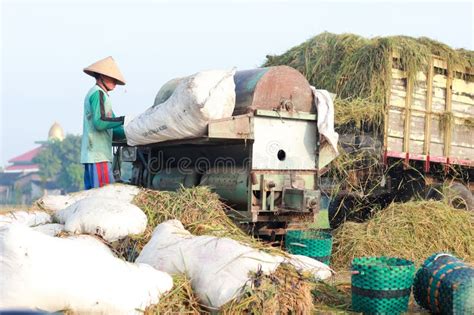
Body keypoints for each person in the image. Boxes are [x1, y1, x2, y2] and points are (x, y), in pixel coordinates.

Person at [81, 56, 127, 190]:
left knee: (91, 197)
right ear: (101, 76)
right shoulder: (98, 94)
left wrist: (131, 132)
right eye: (112, 78)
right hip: (98, 156)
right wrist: (124, 119)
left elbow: (114, 125)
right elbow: (100, 123)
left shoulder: (101, 95)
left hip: (93, 155)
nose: (115, 83)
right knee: (103, 196)